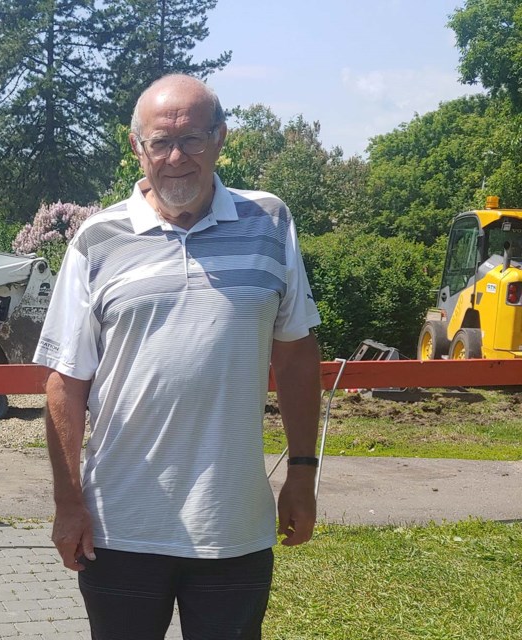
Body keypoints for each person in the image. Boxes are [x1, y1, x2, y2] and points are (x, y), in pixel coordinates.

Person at [34, 74, 322, 640]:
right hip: (119, 526)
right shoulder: (97, 239)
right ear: (136, 147)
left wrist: (302, 475)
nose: (175, 157)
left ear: (220, 139)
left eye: (192, 139)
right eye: (159, 143)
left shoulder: (269, 222)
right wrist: (68, 503)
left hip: (234, 525)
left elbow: (296, 356)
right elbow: (65, 383)